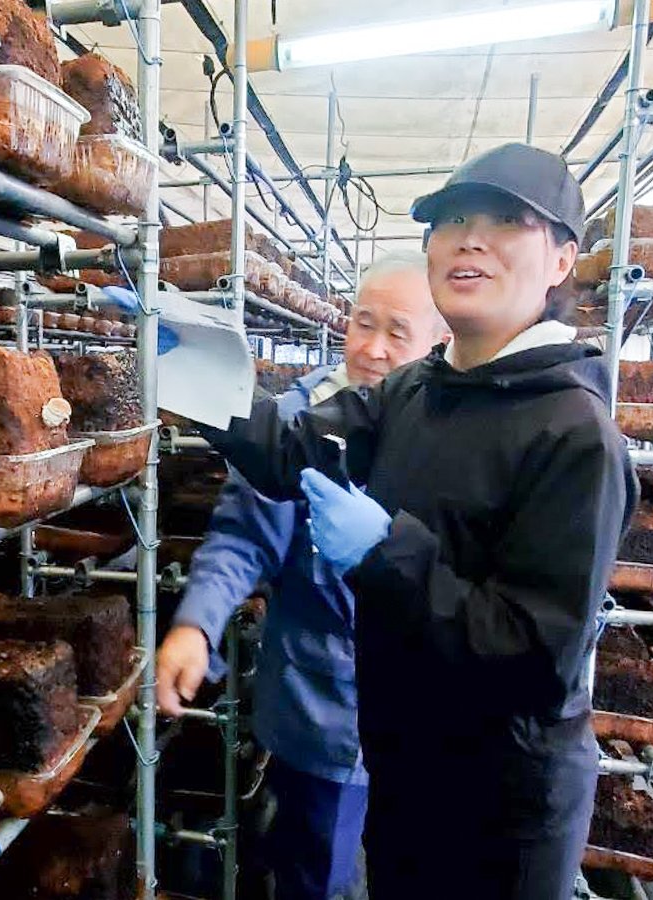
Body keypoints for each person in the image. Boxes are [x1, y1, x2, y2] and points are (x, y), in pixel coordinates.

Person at [199, 143, 637, 900]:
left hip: (500, 807)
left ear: (562, 260)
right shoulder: (417, 391)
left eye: (506, 221)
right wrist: (195, 375)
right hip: (402, 760)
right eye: (453, 221)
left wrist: (385, 554)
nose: (470, 239)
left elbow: (533, 656)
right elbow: (294, 446)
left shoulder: (575, 435)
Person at [155, 253, 447, 900]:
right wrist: (197, 624)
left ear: (438, 343)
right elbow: (242, 538)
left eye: (397, 332)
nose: (372, 348)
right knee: (318, 874)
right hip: (320, 713)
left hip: (420, 716)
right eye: (362, 323)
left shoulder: (450, 438)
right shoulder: (298, 418)